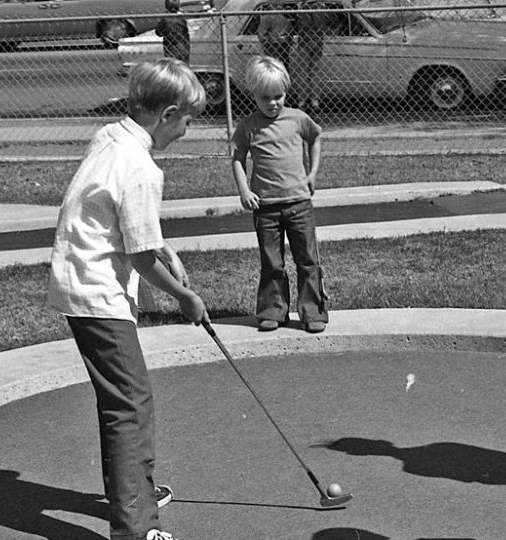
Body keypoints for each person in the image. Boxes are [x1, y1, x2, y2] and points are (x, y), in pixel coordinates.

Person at [47, 58, 209, 540]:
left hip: (78, 281)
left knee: (123, 404)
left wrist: (166, 248)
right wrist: (185, 297)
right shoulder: (141, 168)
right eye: (188, 120)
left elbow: (134, 230)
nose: (187, 130)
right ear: (169, 114)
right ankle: (136, 528)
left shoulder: (111, 136)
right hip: (98, 294)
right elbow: (140, 259)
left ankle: (134, 488)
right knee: (130, 407)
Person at [231, 55, 328, 333]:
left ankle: (313, 312)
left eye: (278, 96)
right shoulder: (249, 125)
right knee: (272, 262)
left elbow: (316, 138)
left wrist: (312, 174)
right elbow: (238, 158)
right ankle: (273, 310)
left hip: (299, 204)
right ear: (254, 95)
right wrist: (244, 190)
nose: (272, 103)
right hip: (266, 208)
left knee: (308, 260)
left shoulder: (298, 119)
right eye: (265, 97)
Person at [258, 0, 295, 69]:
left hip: (271, 46)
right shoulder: (286, 20)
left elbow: (261, 34)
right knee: (283, 68)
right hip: (284, 47)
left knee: (271, 68)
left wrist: (266, 44)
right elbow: (291, 35)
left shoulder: (266, 18)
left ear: (271, 6)